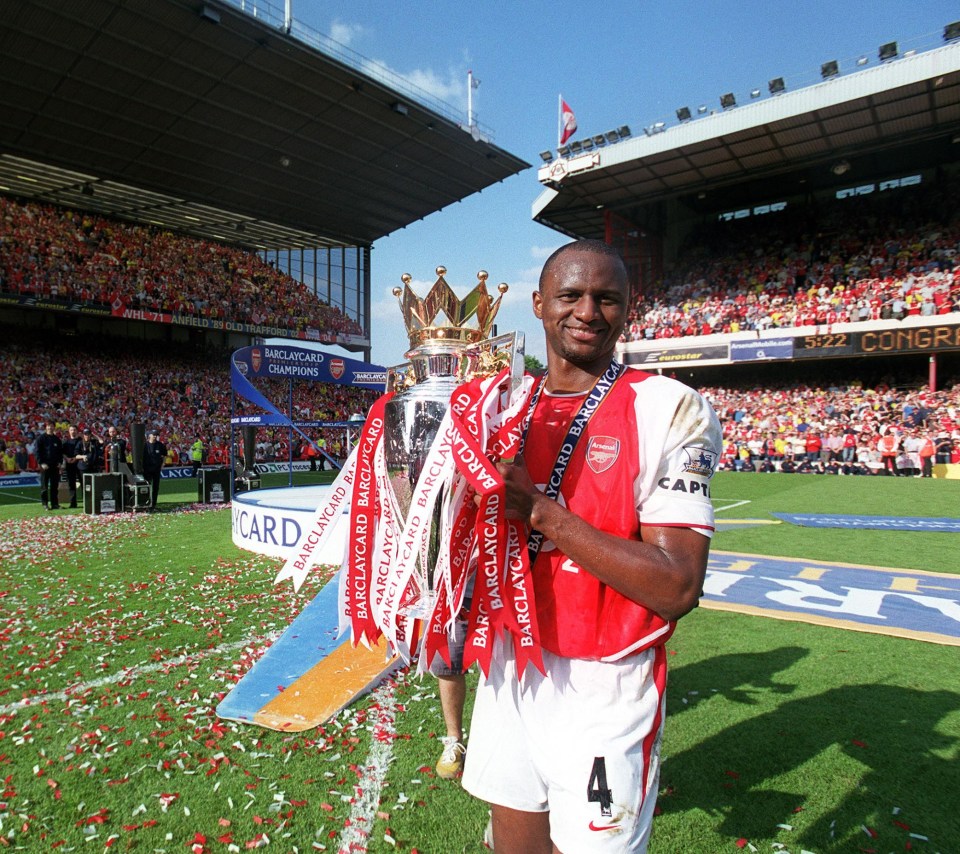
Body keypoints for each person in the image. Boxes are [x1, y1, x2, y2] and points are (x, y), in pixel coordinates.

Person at [461, 241, 722, 853]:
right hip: (509, 663)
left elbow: (678, 585)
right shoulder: (498, 406)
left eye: (607, 299)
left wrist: (545, 514)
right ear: (538, 304)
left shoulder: (667, 406)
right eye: (571, 295)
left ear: (627, 310)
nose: (588, 311)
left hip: (602, 682)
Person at [36, 421, 63, 510]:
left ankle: (55, 504)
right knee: (44, 487)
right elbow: (37, 452)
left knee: (54, 487)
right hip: (45, 466)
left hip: (55, 466)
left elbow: (60, 453)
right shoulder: (41, 438)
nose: (50, 428)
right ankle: (45, 504)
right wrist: (42, 463)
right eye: (48, 426)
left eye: (51, 426)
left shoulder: (57, 439)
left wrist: (60, 462)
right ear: (46, 427)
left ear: (54, 427)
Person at [142, 429, 168, 508]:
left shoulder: (160, 445)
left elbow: (164, 455)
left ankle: (154, 503)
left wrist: (163, 464)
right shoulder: (145, 445)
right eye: (153, 435)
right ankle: (146, 502)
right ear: (149, 435)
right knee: (147, 486)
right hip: (147, 469)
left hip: (156, 469)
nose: (155, 436)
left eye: (156, 435)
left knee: (156, 487)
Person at [61, 425, 83, 508]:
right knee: (71, 484)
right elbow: (62, 452)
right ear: (69, 431)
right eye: (71, 430)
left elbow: (83, 452)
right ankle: (73, 503)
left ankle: (87, 502)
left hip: (80, 465)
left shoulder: (81, 441)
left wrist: (75, 458)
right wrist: (67, 458)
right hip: (70, 465)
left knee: (83, 483)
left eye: (74, 430)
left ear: (77, 431)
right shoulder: (66, 442)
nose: (73, 431)